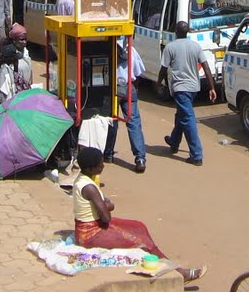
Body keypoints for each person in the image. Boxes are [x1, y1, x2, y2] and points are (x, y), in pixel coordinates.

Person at [72, 147, 206, 281]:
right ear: (90, 169)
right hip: (90, 234)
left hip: (91, 226)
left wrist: (103, 204)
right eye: (100, 164)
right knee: (140, 242)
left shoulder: (83, 179)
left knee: (139, 227)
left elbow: (96, 206)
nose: (103, 165)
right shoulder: (89, 187)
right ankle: (180, 273)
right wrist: (109, 206)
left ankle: (160, 256)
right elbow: (106, 218)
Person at [158, 20, 217, 166]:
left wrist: (159, 83)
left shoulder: (170, 47)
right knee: (182, 115)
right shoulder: (196, 46)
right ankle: (174, 142)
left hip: (180, 89)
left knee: (188, 119)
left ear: (176, 32)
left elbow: (163, 69)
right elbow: (206, 67)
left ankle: (196, 155)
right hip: (193, 89)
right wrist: (212, 87)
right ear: (187, 32)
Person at [104, 38, 147, 172]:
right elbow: (138, 73)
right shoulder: (132, 51)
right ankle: (140, 158)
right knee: (133, 122)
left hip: (112, 89)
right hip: (128, 88)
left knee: (112, 121)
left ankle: (108, 153)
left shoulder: (109, 50)